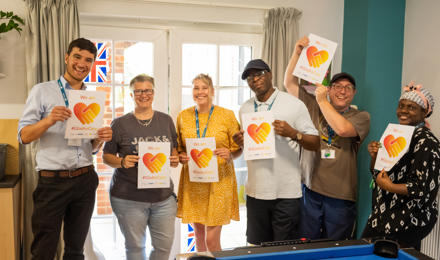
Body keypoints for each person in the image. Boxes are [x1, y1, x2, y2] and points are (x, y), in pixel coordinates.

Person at [18, 38, 113, 260]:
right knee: (44, 249)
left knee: (75, 250)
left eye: (88, 60)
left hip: (85, 179)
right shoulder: (42, 91)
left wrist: (99, 139)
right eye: (77, 57)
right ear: (67, 57)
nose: (82, 64)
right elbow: (23, 136)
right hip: (52, 182)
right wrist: (49, 120)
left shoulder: (91, 99)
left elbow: (88, 148)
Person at [284, 36, 371, 240]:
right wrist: (297, 54)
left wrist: (323, 100)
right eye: (337, 86)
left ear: (354, 93)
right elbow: (289, 84)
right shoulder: (313, 105)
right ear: (330, 89)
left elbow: (341, 130)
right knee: (308, 245)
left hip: (340, 196)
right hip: (310, 189)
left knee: (336, 247)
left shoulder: (361, 116)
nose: (342, 91)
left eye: (347, 88)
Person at [232, 59, 320, 245]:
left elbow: (315, 142)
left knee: (283, 249)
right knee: (257, 249)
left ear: (270, 74)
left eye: (259, 74)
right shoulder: (245, 108)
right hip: (256, 191)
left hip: (286, 192)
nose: (254, 80)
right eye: (249, 77)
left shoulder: (293, 105)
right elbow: (250, 145)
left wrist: (294, 133)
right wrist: (241, 142)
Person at [103, 74, 179, 260]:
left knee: (163, 249)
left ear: (153, 93)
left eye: (147, 90)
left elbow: (174, 149)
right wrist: (122, 161)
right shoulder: (120, 124)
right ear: (131, 94)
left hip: (163, 199)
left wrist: (175, 158)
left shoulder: (166, 120)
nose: (143, 94)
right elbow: (106, 156)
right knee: (135, 248)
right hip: (129, 198)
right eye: (138, 91)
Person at [362, 83, 439, 250]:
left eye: (411, 107)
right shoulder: (398, 134)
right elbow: (378, 173)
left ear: (424, 112)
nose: (404, 110)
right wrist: (375, 156)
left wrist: (389, 186)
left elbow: (422, 188)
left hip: (406, 222)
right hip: (382, 217)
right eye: (401, 106)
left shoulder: (427, 142)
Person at [176, 74, 242, 252]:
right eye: (196, 88)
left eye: (204, 88)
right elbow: (180, 148)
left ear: (212, 91)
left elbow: (238, 148)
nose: (200, 92)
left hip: (219, 182)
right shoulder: (183, 116)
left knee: (212, 241)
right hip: (194, 182)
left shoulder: (227, 115)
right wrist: (181, 156)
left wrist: (230, 154)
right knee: (198, 237)